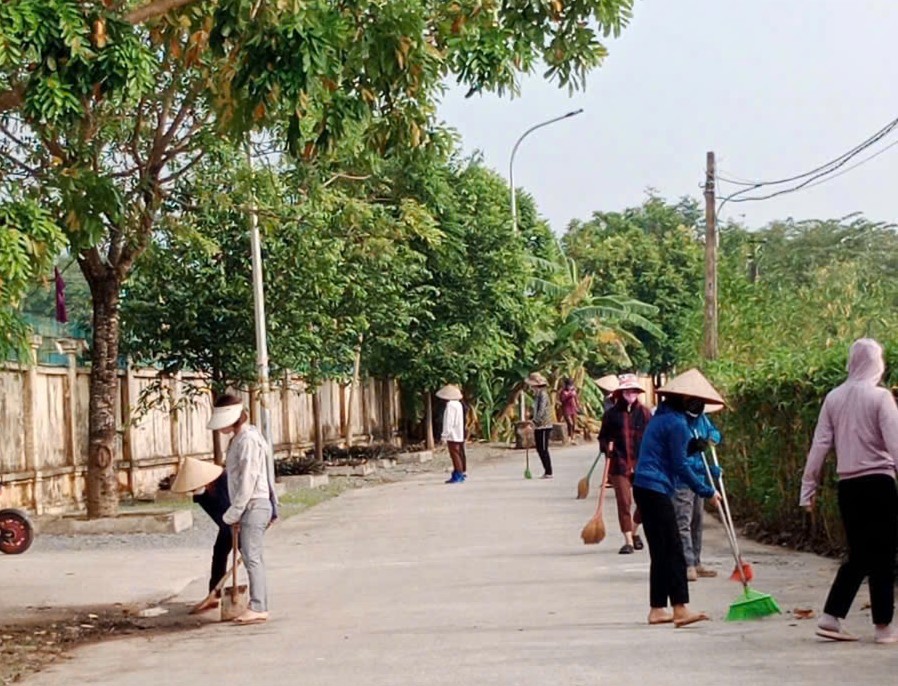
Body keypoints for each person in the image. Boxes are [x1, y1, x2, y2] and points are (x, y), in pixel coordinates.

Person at [800, 338, 898, 644]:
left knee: (859, 552)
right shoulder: (881, 398)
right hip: (879, 483)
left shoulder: (834, 398)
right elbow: (895, 444)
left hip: (849, 487)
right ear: (876, 364)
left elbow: (820, 445)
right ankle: (883, 626)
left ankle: (831, 616)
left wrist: (808, 488)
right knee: (882, 554)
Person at [632, 369, 722, 627]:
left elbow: (675, 455)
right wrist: (707, 489)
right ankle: (680, 608)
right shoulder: (677, 424)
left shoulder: (663, 418)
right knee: (673, 549)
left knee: (661, 551)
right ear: (685, 400)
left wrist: (704, 461)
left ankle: (658, 608)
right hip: (655, 488)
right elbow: (681, 466)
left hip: (647, 486)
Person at [208, 393, 277, 625]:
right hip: (250, 505)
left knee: (252, 556)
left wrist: (233, 513)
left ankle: (258, 606)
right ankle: (257, 604)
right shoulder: (239, 439)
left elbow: (249, 480)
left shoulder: (248, 440)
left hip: (254, 504)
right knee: (249, 556)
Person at [598, 373, 652, 554]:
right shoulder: (611, 415)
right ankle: (628, 540)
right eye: (627, 391)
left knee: (646, 502)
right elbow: (602, 437)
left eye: (634, 391)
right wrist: (607, 448)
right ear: (620, 393)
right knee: (624, 502)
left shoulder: (644, 413)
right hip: (619, 464)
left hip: (642, 464)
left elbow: (653, 437)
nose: (631, 394)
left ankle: (635, 531)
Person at [170, 456, 232, 613]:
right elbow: (218, 516)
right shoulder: (201, 495)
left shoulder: (225, 481)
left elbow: (229, 506)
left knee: (250, 557)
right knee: (219, 553)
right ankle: (214, 593)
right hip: (226, 524)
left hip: (239, 520)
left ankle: (257, 602)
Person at [674, 408, 722, 582]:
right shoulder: (679, 422)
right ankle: (688, 564)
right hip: (683, 481)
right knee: (683, 523)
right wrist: (706, 468)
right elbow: (682, 461)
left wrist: (712, 439)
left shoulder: (702, 419)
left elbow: (714, 432)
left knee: (697, 521)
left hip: (699, 480)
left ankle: (696, 561)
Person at [438, 384, 467, 484]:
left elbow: (448, 421)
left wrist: (444, 435)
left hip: (452, 434)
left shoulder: (450, 405)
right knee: (459, 453)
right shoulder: (459, 404)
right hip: (459, 433)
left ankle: (458, 473)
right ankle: (459, 472)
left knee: (454, 454)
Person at [527, 372, 554, 479]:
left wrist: (534, 422)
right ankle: (546, 470)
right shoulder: (537, 395)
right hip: (539, 425)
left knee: (543, 448)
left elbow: (541, 410)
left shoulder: (542, 394)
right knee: (539, 448)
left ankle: (549, 471)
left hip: (544, 425)